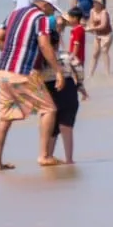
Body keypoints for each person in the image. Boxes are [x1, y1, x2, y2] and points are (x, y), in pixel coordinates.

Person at [0, 0, 66, 171]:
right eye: (52, 9)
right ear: (46, 5)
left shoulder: (14, 14)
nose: (52, 13)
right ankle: (44, 156)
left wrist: (12, 54)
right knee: (49, 109)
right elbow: (44, 44)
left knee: (4, 118)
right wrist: (58, 71)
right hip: (23, 73)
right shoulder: (41, 19)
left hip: (2, 73)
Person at [43, 16, 88, 166]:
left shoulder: (43, 59)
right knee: (66, 126)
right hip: (68, 90)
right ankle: (69, 159)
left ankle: (48, 155)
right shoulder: (67, 55)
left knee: (52, 128)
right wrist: (80, 85)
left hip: (50, 90)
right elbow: (79, 68)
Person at [87, 0, 113, 77]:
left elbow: (103, 25)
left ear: (101, 4)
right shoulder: (92, 11)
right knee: (95, 53)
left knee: (104, 51)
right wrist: (90, 27)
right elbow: (90, 22)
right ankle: (90, 74)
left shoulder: (104, 12)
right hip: (97, 35)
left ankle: (107, 73)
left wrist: (92, 28)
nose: (94, 4)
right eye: (94, 2)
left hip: (107, 35)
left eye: (96, 2)